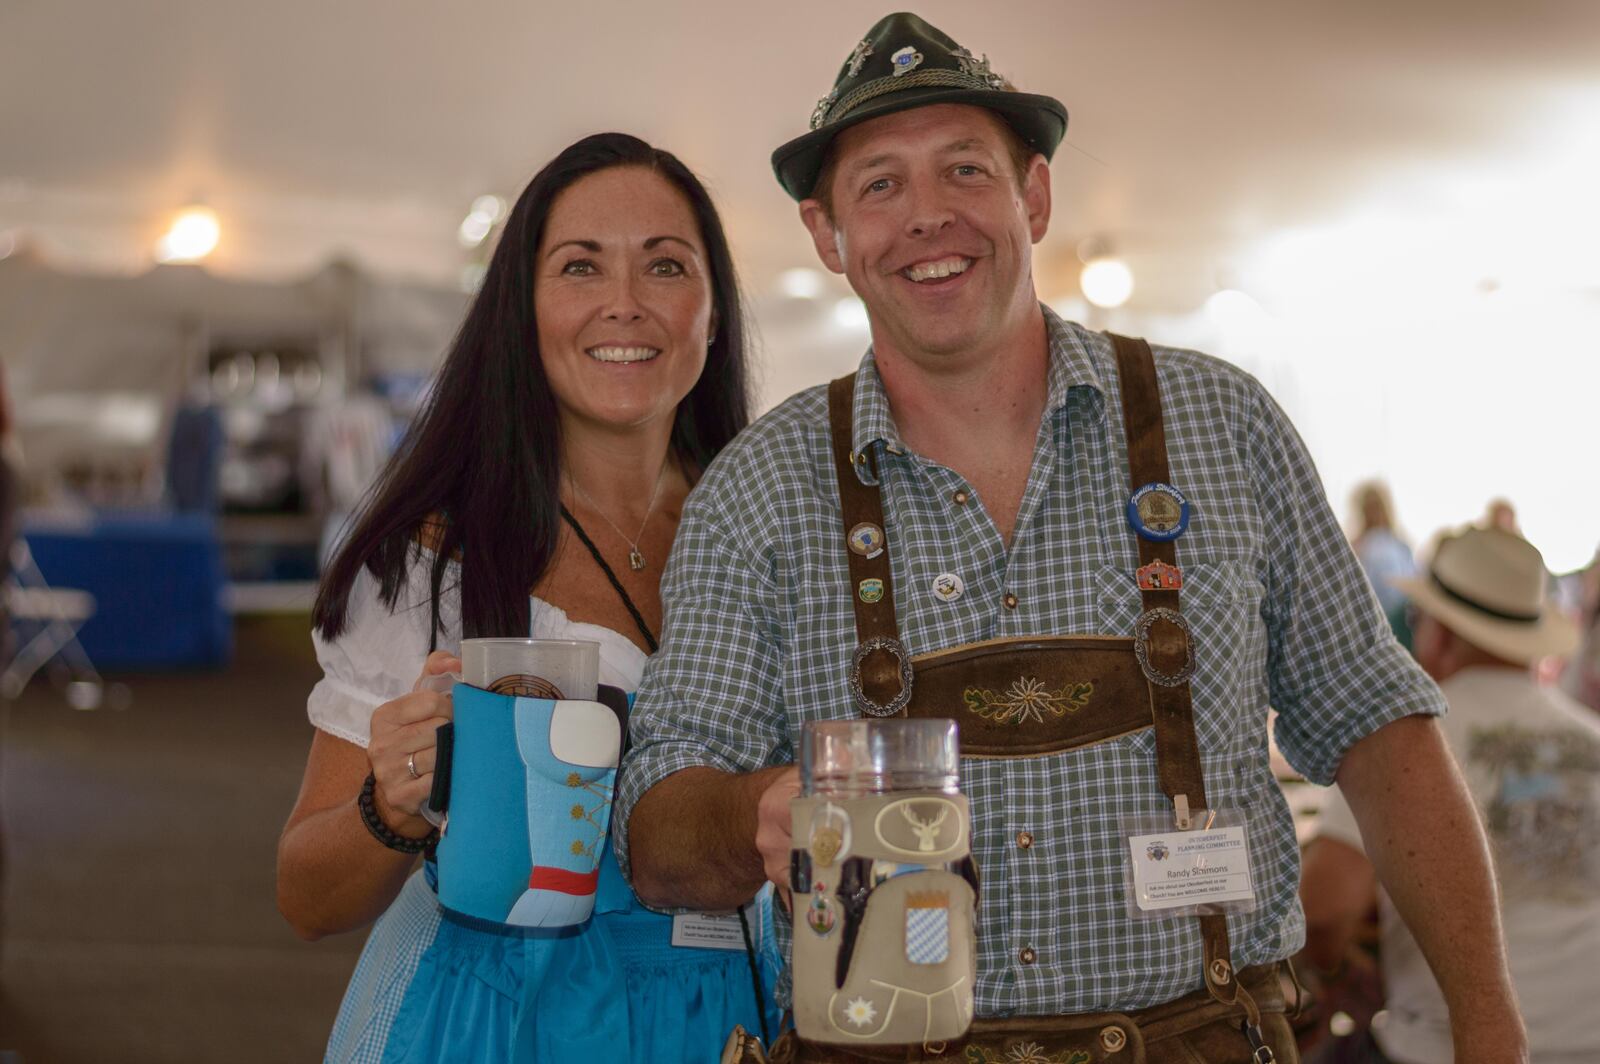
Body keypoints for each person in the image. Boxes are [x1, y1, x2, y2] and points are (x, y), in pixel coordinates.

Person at [615, 13, 1526, 1063]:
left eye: (963, 168)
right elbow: (657, 823)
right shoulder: (759, 491)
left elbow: (1378, 729)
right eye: (880, 185)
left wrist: (1487, 1020)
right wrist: (746, 816)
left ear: (1032, 196)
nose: (926, 216)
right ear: (828, 236)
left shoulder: (1220, 425)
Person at [275, 132, 776, 1063]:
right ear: (523, 307)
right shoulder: (435, 561)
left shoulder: (783, 531)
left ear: (712, 311)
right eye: (580, 267)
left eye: (665, 266)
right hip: (499, 1027)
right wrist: (394, 805)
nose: (624, 303)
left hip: (738, 1015)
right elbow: (307, 898)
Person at [1302, 527, 1596, 1064]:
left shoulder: (1405, 742)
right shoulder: (1593, 736)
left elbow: (1324, 911)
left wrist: (1337, 975)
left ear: (1439, 634)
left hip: (1450, 1047)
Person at [1350, 481, 1417, 646]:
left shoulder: (1401, 545)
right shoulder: (1357, 547)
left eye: (1377, 506)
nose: (1374, 512)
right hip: (1369, 627)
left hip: (1401, 624)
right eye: (1369, 507)